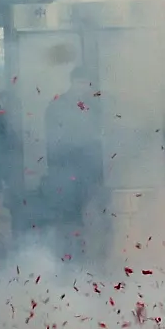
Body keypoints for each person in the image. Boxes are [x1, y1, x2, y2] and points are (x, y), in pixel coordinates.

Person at [43, 67, 107, 261]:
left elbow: (98, 139)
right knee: (67, 218)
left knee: (90, 216)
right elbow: (52, 141)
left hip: (88, 170)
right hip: (64, 169)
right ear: (72, 82)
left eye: (87, 84)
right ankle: (66, 259)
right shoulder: (57, 106)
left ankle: (88, 259)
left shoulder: (94, 107)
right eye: (81, 83)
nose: (84, 87)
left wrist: (98, 173)